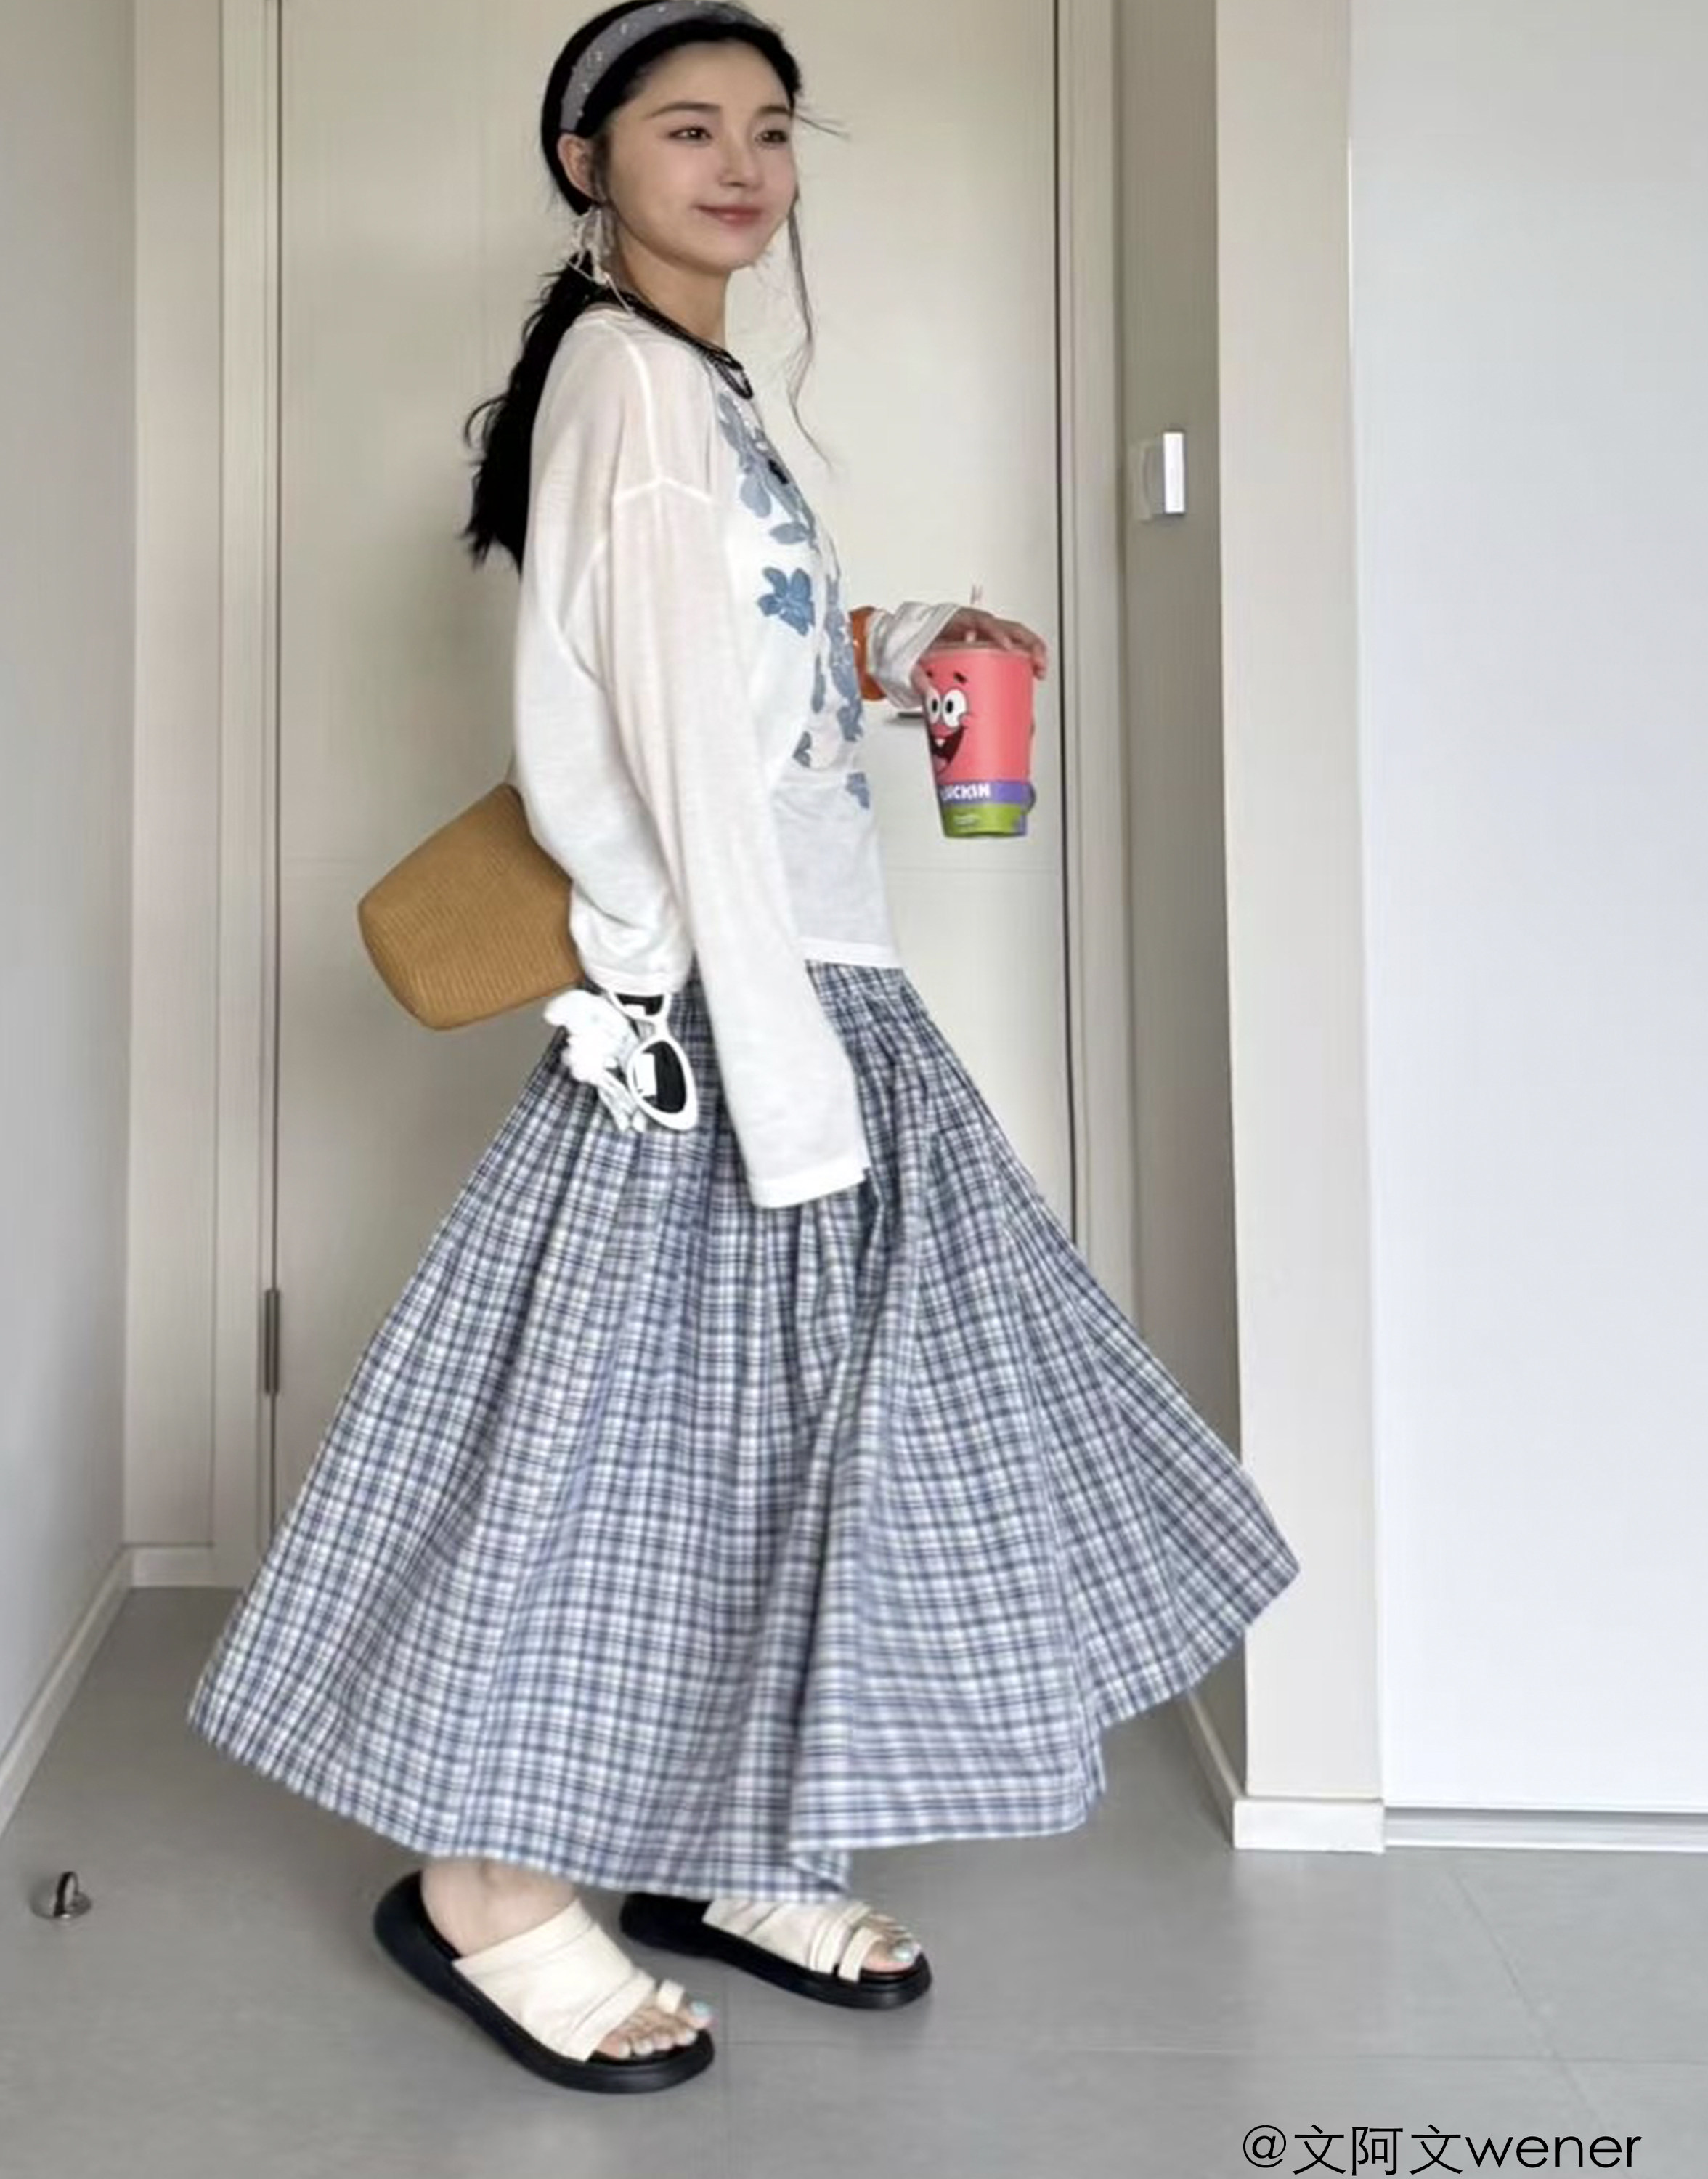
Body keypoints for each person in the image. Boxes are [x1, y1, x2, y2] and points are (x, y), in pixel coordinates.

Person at [187, 0, 1300, 2097]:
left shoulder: (694, 388)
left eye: (773, 131)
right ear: (587, 163)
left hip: (804, 972)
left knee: (787, 1441)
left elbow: (737, 681)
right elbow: (667, 751)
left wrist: (900, 649)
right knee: (616, 1449)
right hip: (728, 997)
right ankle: (488, 1888)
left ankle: (722, 1838)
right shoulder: (623, 379)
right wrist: (780, 1071)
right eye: (688, 127)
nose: (743, 167)